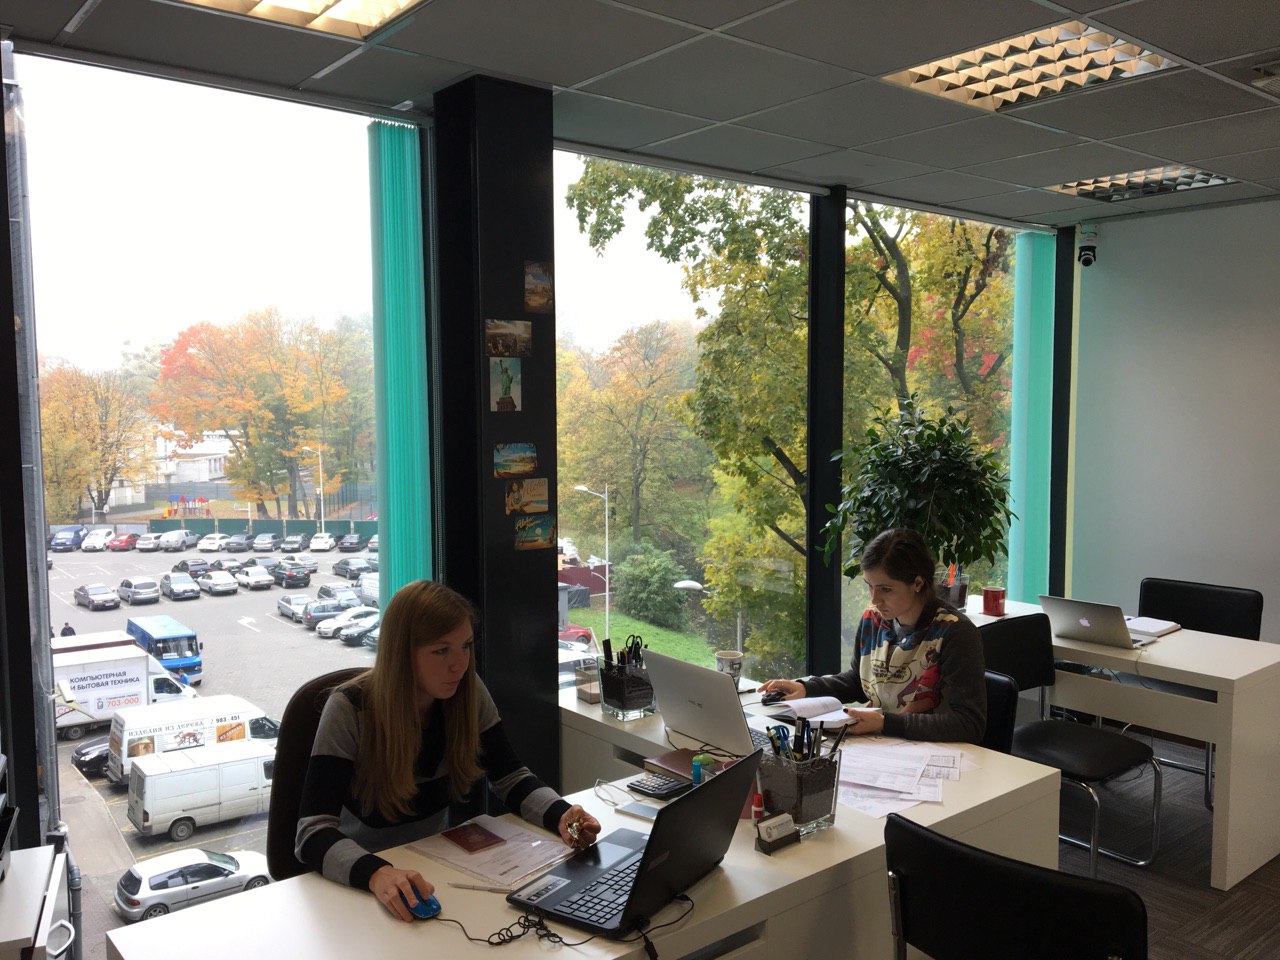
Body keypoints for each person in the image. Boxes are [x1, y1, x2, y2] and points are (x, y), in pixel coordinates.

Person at [295, 579, 601, 922]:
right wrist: (377, 873)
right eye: (441, 651)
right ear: (402, 653)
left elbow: (510, 777)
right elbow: (313, 832)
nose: (459, 665)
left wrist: (561, 814)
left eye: (466, 646)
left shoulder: (467, 693)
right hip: (360, 883)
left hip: (433, 868)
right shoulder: (350, 709)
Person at [759, 528, 986, 743]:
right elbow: (859, 681)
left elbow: (969, 724)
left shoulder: (955, 632)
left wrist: (885, 724)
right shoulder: (873, 619)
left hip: (935, 754)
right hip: (883, 745)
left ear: (917, 583)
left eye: (886, 589)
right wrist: (807, 688)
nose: (875, 600)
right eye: (870, 586)